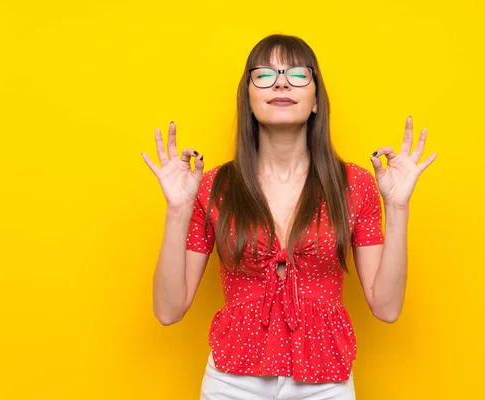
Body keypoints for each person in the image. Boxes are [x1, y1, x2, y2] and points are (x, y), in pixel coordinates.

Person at [142, 34, 436, 399]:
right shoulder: (214, 185)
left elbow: (387, 307)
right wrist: (177, 209)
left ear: (316, 101)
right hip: (232, 382)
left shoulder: (354, 184)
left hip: (325, 383)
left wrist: (398, 205)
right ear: (248, 99)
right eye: (264, 74)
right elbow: (168, 311)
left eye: (298, 74)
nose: (281, 82)